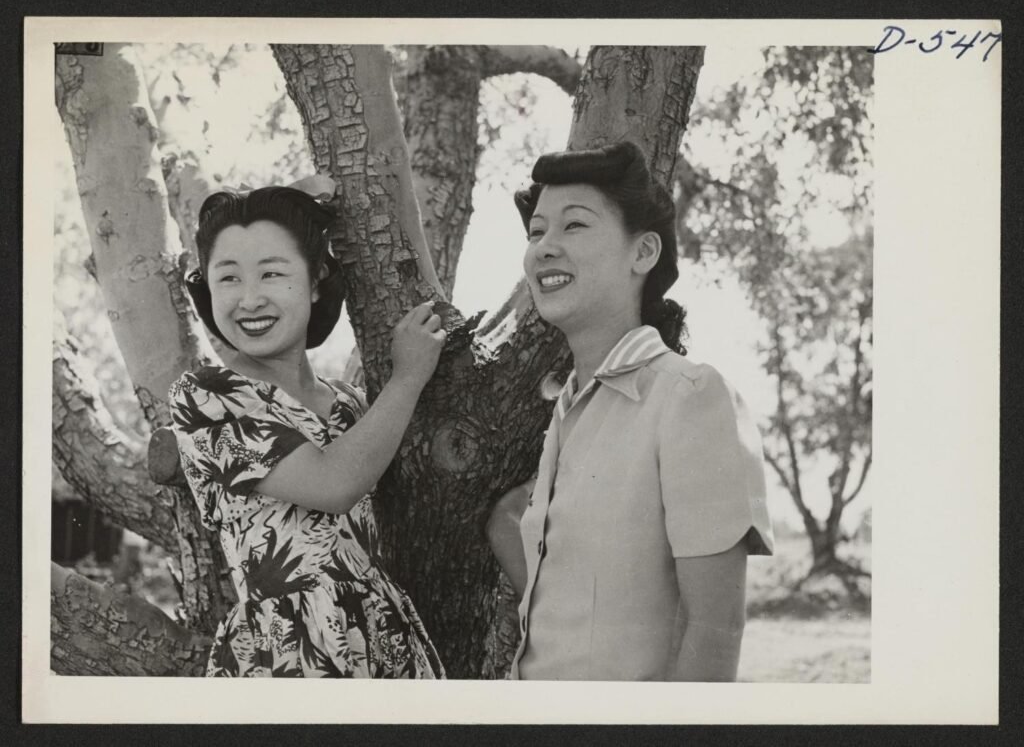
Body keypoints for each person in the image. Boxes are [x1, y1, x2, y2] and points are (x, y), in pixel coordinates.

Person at [486, 142, 774, 682]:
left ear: (642, 253)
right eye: (536, 232)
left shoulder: (689, 396)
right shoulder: (568, 406)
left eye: (573, 226)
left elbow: (714, 631)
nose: (545, 247)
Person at [169, 186, 446, 678]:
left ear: (316, 280)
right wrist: (407, 378)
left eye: (273, 273)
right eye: (227, 278)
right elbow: (332, 485)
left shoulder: (350, 404)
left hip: (384, 638)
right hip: (289, 649)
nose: (249, 299)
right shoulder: (207, 398)